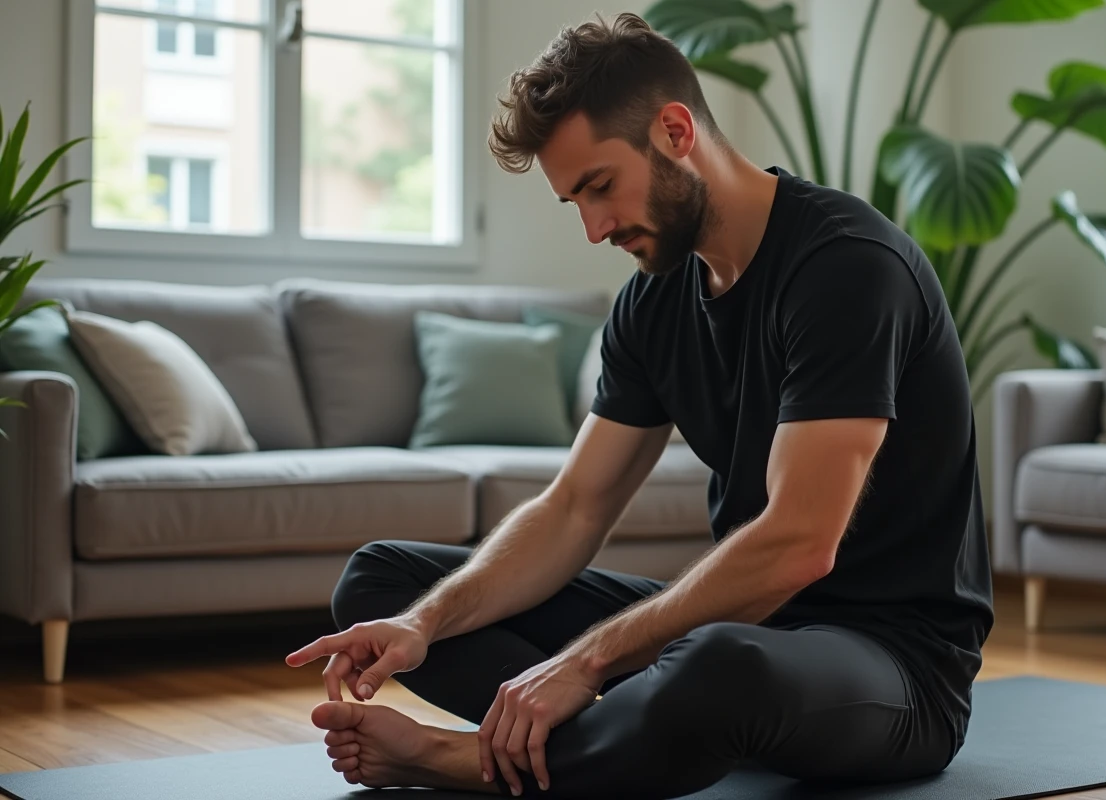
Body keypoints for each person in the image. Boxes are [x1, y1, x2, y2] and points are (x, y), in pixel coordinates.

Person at [284, 11, 994, 799]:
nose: (594, 229)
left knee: (716, 664)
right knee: (385, 584)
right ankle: (630, 736)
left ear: (676, 131)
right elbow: (573, 510)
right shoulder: (653, 301)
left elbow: (799, 544)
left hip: (894, 670)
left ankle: (463, 764)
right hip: (743, 637)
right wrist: (425, 626)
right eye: (574, 203)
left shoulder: (847, 268)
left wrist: (587, 662)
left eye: (599, 188)